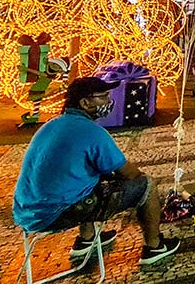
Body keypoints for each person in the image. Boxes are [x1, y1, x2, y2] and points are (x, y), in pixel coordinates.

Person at [13, 77, 181, 265]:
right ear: (85, 103)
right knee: (147, 185)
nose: (109, 102)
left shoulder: (51, 125)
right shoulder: (92, 132)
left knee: (92, 176)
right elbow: (129, 174)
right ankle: (154, 246)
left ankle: (87, 239)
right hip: (56, 213)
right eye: (103, 97)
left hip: (27, 211)